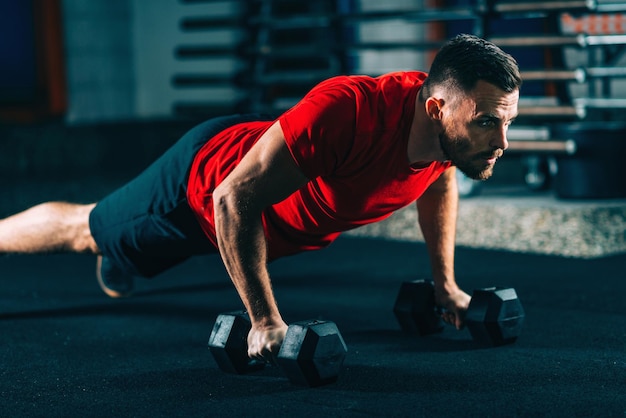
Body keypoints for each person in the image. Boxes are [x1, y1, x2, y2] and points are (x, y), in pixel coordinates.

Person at [0, 34, 521, 362]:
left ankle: (127, 254)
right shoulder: (349, 113)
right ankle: (110, 245)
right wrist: (266, 321)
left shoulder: (448, 138)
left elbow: (439, 180)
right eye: (487, 123)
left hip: (258, 209)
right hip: (202, 187)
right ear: (435, 109)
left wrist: (445, 285)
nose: (501, 143)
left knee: (137, 249)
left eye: (508, 122)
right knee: (86, 231)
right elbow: (232, 199)